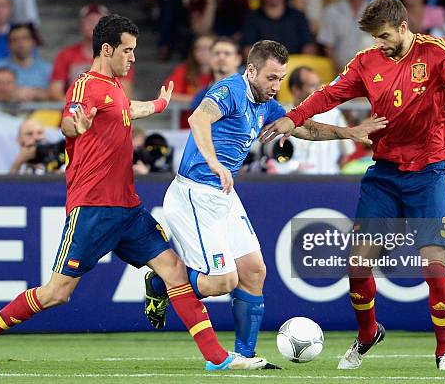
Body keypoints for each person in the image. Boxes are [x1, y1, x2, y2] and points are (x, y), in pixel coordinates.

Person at [0, 13, 266, 372]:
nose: (133, 58)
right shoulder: (86, 86)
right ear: (106, 48)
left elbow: (129, 110)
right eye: (128, 50)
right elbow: (73, 116)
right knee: (56, 293)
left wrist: (161, 105)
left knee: (174, 272)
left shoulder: (115, 88)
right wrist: (76, 123)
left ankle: (217, 358)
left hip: (128, 209)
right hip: (93, 210)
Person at [260, 0, 445, 371]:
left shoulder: (434, 51)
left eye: (384, 36)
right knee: (357, 264)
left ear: (403, 27)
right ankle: (368, 333)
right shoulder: (366, 63)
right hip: (384, 175)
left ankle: (444, 351)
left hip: (428, 173)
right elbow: (327, 94)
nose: (379, 44)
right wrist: (293, 117)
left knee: (433, 266)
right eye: (374, 37)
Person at [142, 40, 387, 366]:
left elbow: (303, 127)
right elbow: (198, 120)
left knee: (254, 270)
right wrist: (214, 163)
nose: (276, 86)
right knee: (222, 281)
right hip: (195, 193)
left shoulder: (267, 104)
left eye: (281, 78)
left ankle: (246, 355)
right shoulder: (229, 90)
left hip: (224, 195)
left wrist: (349, 132)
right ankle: (159, 283)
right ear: (252, 70)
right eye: (271, 77)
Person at [48, 4, 134, 101]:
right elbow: (54, 91)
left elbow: (125, 93)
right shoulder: (66, 55)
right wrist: (77, 106)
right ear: (81, 25)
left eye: (98, 22)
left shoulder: (120, 56)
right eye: (89, 21)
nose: (93, 24)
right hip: (74, 113)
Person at [287, 65, 355, 174]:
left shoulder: (334, 114)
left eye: (319, 83)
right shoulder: (281, 118)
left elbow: (346, 154)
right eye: (313, 85)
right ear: (296, 90)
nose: (320, 89)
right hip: (292, 186)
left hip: (327, 185)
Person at [0, 23, 51, 101]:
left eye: (24, 38)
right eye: (15, 40)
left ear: (32, 42)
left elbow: (56, 95)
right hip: (5, 112)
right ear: (9, 45)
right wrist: (13, 94)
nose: (20, 43)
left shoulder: (47, 69)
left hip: (41, 112)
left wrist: (34, 93)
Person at [190, 36, 242, 111]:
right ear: (210, 59)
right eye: (217, 53)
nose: (221, 57)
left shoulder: (249, 91)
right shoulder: (202, 95)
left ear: (238, 59)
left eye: (227, 53)